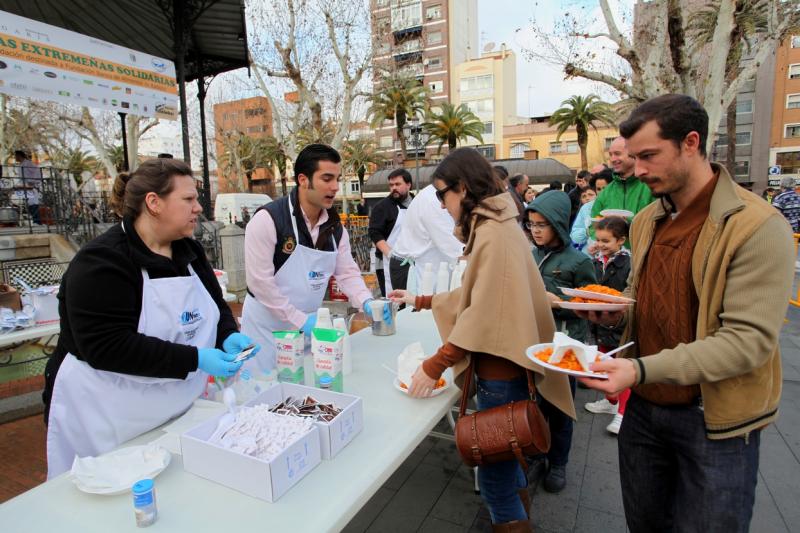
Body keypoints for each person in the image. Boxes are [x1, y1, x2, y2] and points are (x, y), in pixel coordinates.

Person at [579, 94, 794, 532]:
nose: (637, 169)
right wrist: (615, 318)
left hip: (714, 423)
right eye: (633, 157)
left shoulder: (758, 225)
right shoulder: (645, 222)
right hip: (643, 413)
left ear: (691, 143)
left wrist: (636, 370)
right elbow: (646, 300)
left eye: (649, 156)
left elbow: (746, 343)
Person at [389, 147, 575, 531]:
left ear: (462, 188)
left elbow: (482, 314)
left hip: (500, 370)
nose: (441, 205)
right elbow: (480, 295)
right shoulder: (499, 225)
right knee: (508, 457)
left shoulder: (492, 232)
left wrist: (434, 364)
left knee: (494, 477)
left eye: (442, 194)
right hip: (508, 366)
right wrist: (422, 299)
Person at [42, 158, 259, 478]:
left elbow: (216, 308)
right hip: (109, 417)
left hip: (174, 408)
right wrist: (195, 357)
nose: (198, 208)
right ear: (154, 203)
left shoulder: (190, 252)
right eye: (188, 199)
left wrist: (226, 334)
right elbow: (107, 346)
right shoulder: (102, 262)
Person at [241, 144, 388, 373]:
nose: (334, 187)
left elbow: (347, 272)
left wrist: (366, 301)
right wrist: (299, 320)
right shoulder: (268, 220)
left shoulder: (335, 228)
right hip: (266, 332)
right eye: (327, 178)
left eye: (337, 179)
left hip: (308, 329)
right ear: (303, 179)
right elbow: (260, 284)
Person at [525, 190, 596, 494]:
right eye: (531, 224)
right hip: (535, 344)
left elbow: (593, 307)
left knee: (561, 409)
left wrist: (560, 305)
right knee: (536, 405)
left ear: (558, 223)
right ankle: (539, 453)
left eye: (542, 224)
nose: (536, 230)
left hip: (566, 347)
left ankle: (559, 463)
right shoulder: (532, 255)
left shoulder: (579, 261)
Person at [582, 216, 631, 434]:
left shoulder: (628, 263)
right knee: (604, 361)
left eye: (606, 241)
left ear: (621, 240)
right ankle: (611, 403)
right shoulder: (595, 260)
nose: (600, 244)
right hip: (600, 324)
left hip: (620, 323)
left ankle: (623, 413)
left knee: (623, 366)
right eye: (598, 239)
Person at [389, 182, 464, 293]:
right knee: (419, 307)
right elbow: (454, 247)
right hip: (411, 269)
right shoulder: (433, 201)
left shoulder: (439, 195)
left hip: (428, 265)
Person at [590, 136, 654, 239]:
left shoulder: (651, 186)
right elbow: (593, 226)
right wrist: (598, 242)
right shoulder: (606, 192)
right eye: (610, 154)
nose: (612, 159)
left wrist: (628, 225)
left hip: (643, 253)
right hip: (612, 255)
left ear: (633, 153)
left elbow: (660, 225)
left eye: (617, 154)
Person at [368, 168, 413, 295]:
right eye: (391, 185)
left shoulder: (417, 204)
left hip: (412, 260)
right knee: (392, 299)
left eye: (397, 184)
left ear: (408, 184)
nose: (394, 188)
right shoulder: (382, 207)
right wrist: (391, 254)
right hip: (387, 261)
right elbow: (374, 232)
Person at [571, 169, 611, 256]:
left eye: (605, 188)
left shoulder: (620, 206)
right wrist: (588, 231)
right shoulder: (586, 208)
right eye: (599, 189)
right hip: (590, 258)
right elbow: (574, 236)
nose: (602, 192)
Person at [14, 150, 41, 224]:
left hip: (31, 185)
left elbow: (37, 171)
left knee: (33, 203)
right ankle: (35, 221)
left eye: (15, 156)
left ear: (19, 156)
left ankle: (37, 221)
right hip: (24, 186)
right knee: (29, 203)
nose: (15, 157)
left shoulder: (28, 163)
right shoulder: (20, 165)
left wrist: (32, 181)